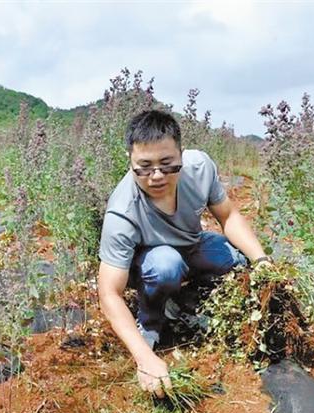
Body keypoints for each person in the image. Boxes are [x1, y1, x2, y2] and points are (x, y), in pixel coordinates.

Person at [97, 110, 271, 398]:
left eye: (167, 164)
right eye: (144, 166)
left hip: (191, 245)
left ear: (181, 153)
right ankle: (151, 321)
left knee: (238, 261)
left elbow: (228, 216)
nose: (156, 176)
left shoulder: (199, 168)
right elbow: (109, 293)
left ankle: (186, 300)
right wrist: (144, 357)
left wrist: (262, 261)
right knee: (165, 265)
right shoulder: (122, 212)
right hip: (152, 263)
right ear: (130, 161)